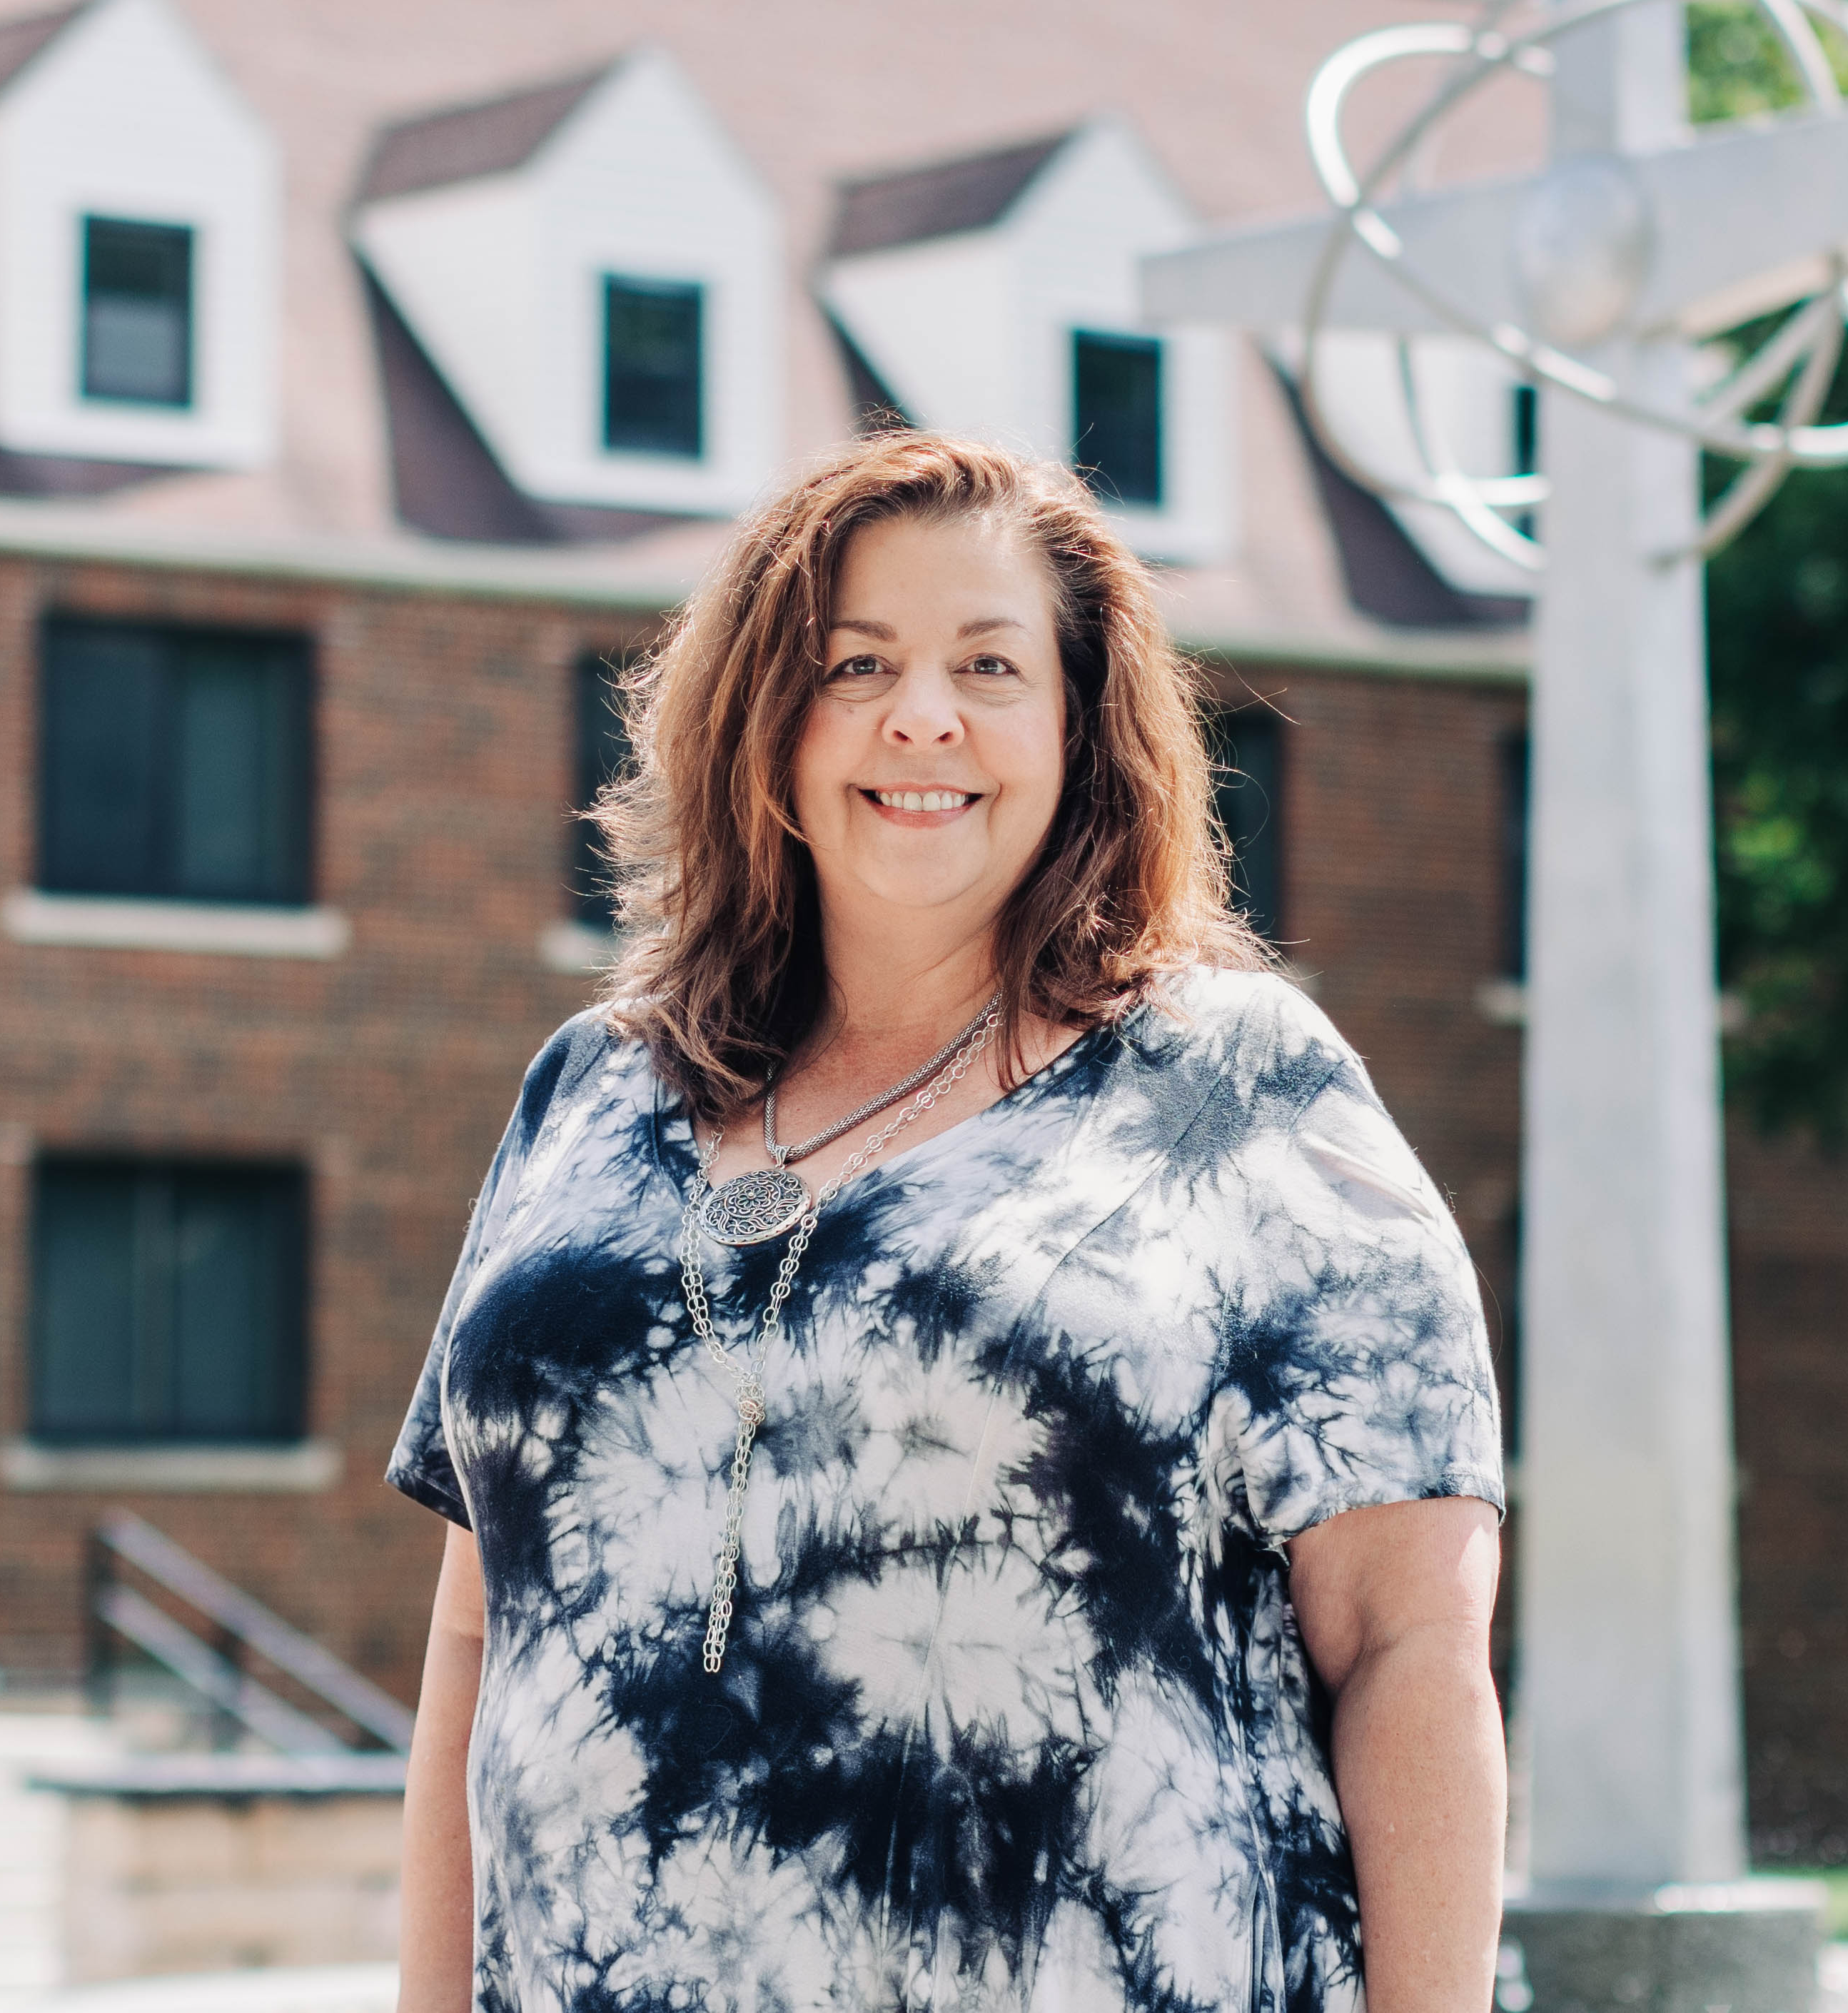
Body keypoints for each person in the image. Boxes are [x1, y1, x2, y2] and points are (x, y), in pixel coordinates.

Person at [389, 433, 1506, 2013]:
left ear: (1078, 731)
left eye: (990, 663)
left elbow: (1408, 1648)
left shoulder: (1241, 1091)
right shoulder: (587, 1092)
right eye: (855, 664)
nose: (923, 714)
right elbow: (476, 1639)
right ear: (761, 722)